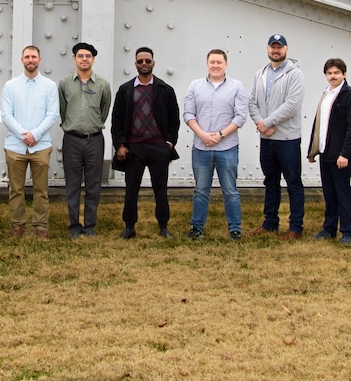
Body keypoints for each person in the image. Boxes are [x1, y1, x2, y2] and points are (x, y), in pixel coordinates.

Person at [111, 47, 180, 239]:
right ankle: (129, 226)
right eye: (140, 61)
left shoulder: (165, 89)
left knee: (161, 189)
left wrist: (169, 143)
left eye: (147, 61)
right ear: (135, 64)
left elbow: (174, 119)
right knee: (131, 189)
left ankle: (164, 225)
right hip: (134, 148)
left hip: (159, 147)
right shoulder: (125, 90)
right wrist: (120, 145)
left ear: (153, 63)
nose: (144, 64)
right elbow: (116, 121)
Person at [184, 49, 248, 240]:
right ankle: (197, 228)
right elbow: (188, 114)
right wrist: (202, 135)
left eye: (219, 62)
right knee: (201, 191)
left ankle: (235, 228)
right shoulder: (195, 86)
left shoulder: (237, 86)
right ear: (207, 64)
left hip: (227, 148)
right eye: (212, 62)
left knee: (230, 191)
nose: (215, 65)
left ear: (226, 64)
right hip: (201, 148)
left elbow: (241, 116)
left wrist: (220, 135)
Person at [251, 34, 306, 239]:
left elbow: (291, 105)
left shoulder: (295, 74)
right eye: (273, 47)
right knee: (271, 182)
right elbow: (251, 103)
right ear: (267, 49)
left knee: (293, 183)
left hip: (287, 140)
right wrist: (260, 124)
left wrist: (268, 122)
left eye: (280, 47)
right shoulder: (260, 74)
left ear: (286, 49)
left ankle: (295, 227)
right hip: (267, 140)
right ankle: (270, 222)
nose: (276, 50)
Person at [2, 45, 59, 238]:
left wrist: (34, 135)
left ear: (40, 60)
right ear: (21, 60)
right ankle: (18, 225)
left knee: (41, 189)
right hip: (15, 146)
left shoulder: (50, 86)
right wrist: (23, 135)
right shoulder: (10, 86)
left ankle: (41, 226)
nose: (30, 60)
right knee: (16, 189)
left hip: (40, 145)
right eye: (27, 57)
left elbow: (53, 115)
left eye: (34, 57)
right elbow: (6, 115)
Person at [58, 41, 112, 239]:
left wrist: (93, 125)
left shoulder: (103, 85)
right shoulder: (64, 83)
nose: (84, 59)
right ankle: (74, 225)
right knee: (72, 185)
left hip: (94, 141)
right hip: (71, 140)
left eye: (88, 56)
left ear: (93, 59)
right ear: (74, 59)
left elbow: (104, 111)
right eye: (80, 56)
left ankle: (89, 225)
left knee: (93, 185)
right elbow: (62, 110)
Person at [307, 57, 351, 244]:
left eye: (336, 73)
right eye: (329, 73)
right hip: (325, 153)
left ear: (344, 74)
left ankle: (347, 231)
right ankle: (329, 228)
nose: (333, 76)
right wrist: (313, 150)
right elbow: (319, 124)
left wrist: (346, 154)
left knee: (343, 193)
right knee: (329, 193)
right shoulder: (326, 95)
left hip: (341, 156)